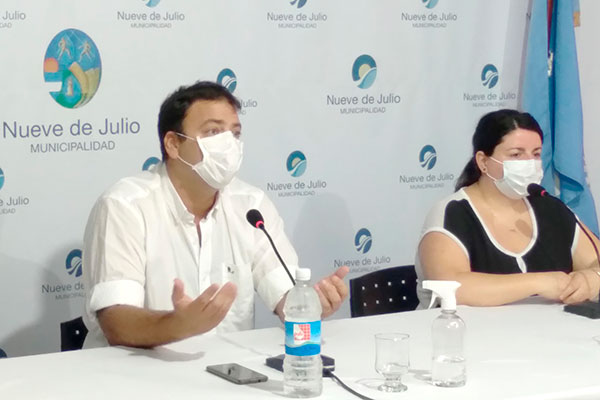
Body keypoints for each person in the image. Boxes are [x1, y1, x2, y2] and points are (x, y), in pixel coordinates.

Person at [82, 81, 349, 348]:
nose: (229, 144)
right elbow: (116, 323)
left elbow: (286, 298)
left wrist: (310, 304)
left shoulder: (251, 205)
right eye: (213, 132)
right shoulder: (125, 206)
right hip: (135, 369)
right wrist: (178, 325)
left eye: (235, 133)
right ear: (173, 144)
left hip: (226, 368)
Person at [416, 109, 600, 307]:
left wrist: (593, 278)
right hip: (465, 326)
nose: (529, 163)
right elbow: (452, 287)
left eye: (536, 154)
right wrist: (540, 282)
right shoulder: (452, 213)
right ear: (483, 161)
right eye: (516, 154)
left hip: (549, 326)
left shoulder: (552, 209)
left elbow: (595, 261)